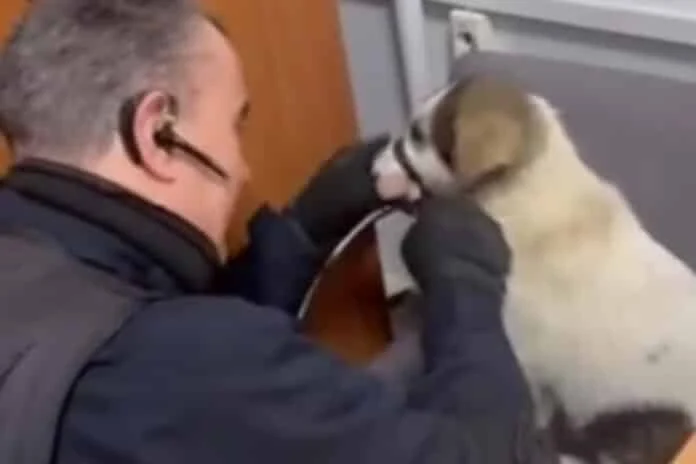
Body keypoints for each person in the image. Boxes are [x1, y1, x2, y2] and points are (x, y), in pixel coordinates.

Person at [0, 1, 545, 463]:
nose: (243, 170)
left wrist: (300, 233)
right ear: (156, 132)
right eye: (234, 124)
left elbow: (142, 327)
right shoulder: (185, 371)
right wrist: (469, 286)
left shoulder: (35, 270)